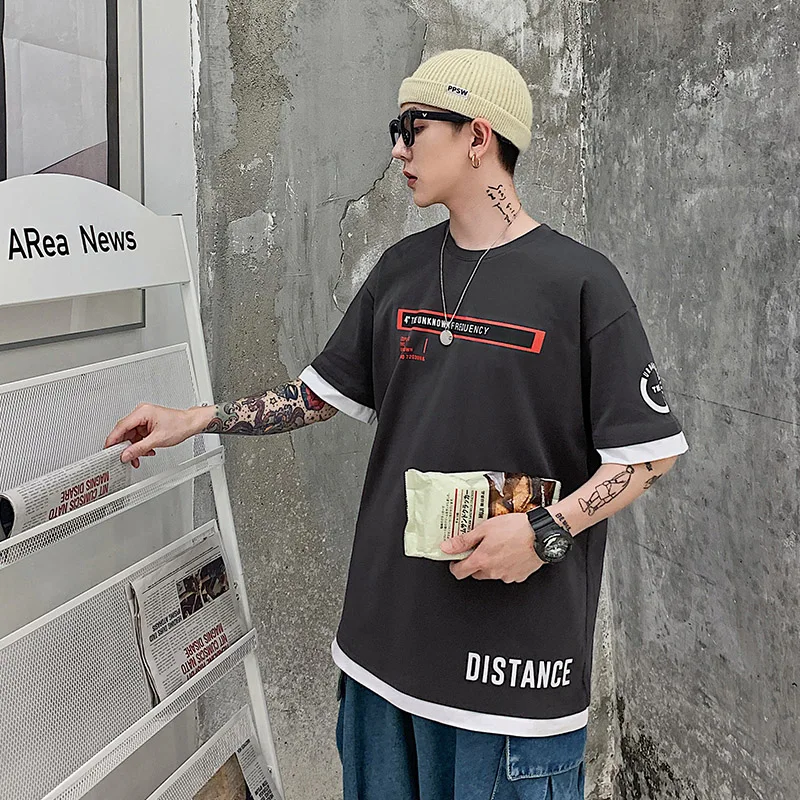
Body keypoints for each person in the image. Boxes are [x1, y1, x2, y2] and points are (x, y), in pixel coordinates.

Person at [105, 48, 688, 800]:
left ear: (478, 137)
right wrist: (197, 418)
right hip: (381, 662)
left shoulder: (582, 283)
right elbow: (318, 395)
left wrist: (545, 531)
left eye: (413, 128)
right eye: (396, 130)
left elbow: (646, 458)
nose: (397, 150)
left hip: (511, 684)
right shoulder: (401, 270)